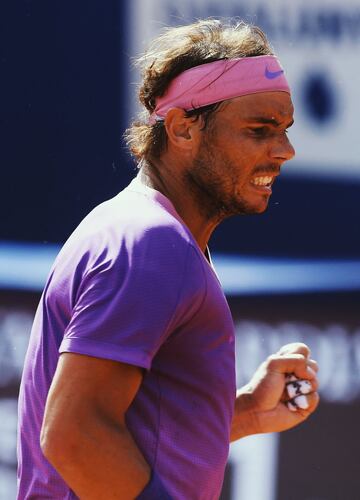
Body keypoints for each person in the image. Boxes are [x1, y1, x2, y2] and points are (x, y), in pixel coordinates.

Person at [17, 19, 319, 500]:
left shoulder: (144, 232)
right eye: (260, 130)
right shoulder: (150, 243)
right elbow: (74, 436)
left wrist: (245, 412)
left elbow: (129, 431)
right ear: (182, 129)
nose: (285, 150)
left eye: (283, 129)